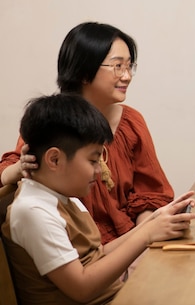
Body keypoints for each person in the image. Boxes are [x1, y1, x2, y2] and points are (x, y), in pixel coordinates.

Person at [1, 93, 195, 305]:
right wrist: (147, 236)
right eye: (94, 160)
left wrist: (156, 219)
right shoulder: (33, 211)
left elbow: (97, 254)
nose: (99, 171)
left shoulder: (62, 194)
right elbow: (82, 288)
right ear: (54, 159)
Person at [0, 22, 175, 244]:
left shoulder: (132, 122)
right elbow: (12, 168)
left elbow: (150, 195)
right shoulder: (55, 120)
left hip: (133, 239)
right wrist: (16, 170)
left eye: (130, 66)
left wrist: (142, 241)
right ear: (84, 71)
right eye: (117, 66)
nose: (127, 76)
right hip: (80, 247)